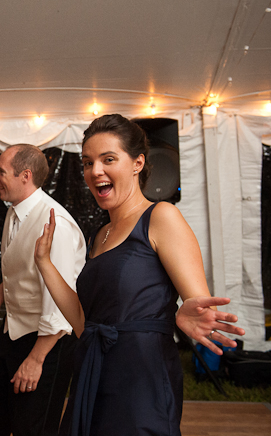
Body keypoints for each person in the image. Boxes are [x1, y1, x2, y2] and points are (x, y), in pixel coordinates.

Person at [32, 114, 246, 436]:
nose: (96, 171)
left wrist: (180, 316)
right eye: (88, 163)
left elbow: (201, 305)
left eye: (108, 159)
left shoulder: (161, 216)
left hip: (142, 375)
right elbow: (82, 323)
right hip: (94, 369)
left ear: (137, 163)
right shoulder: (98, 235)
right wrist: (44, 263)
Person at [0, 144, 85, 436]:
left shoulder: (56, 224)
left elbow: (61, 300)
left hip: (48, 341)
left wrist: (36, 359)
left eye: (0, 172)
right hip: (12, 333)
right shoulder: (15, 210)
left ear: (25, 176)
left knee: (32, 427)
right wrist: (0, 291)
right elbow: (28, 263)